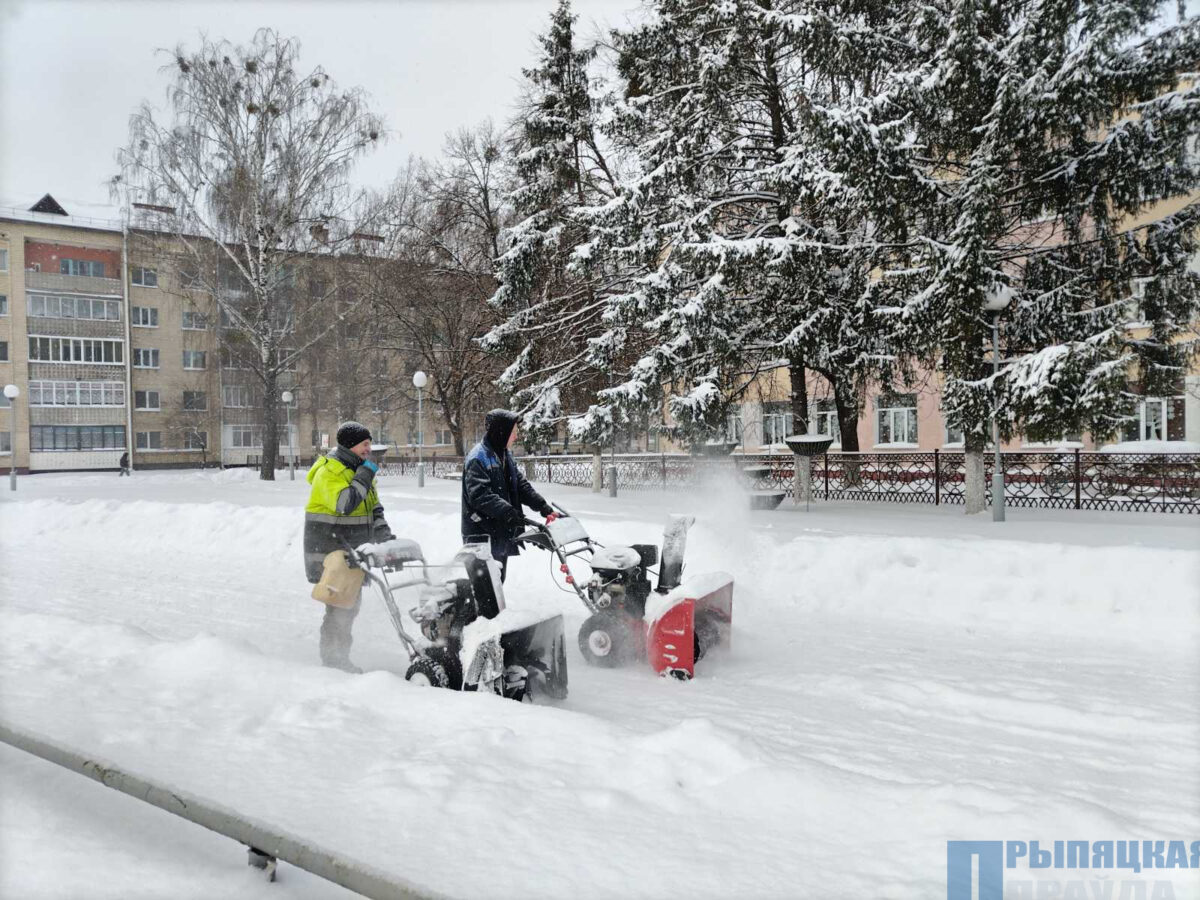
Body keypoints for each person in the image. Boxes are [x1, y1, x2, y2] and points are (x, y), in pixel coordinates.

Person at [303, 421, 394, 673]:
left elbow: (373, 506)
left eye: (369, 444)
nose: (369, 449)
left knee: (349, 606)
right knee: (340, 607)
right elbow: (346, 503)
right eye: (365, 444)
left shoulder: (359, 470)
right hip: (330, 551)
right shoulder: (330, 471)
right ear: (352, 445)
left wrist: (383, 533)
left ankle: (338, 655)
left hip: (352, 552)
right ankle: (333, 660)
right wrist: (365, 474)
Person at [461, 409, 555, 582]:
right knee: (486, 588)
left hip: (498, 531)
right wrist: (509, 513)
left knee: (497, 582)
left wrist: (542, 506)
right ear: (501, 432)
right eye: (513, 433)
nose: (516, 437)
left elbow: (519, 485)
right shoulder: (478, 458)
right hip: (481, 534)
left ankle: (490, 610)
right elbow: (480, 495)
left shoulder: (504, 455)